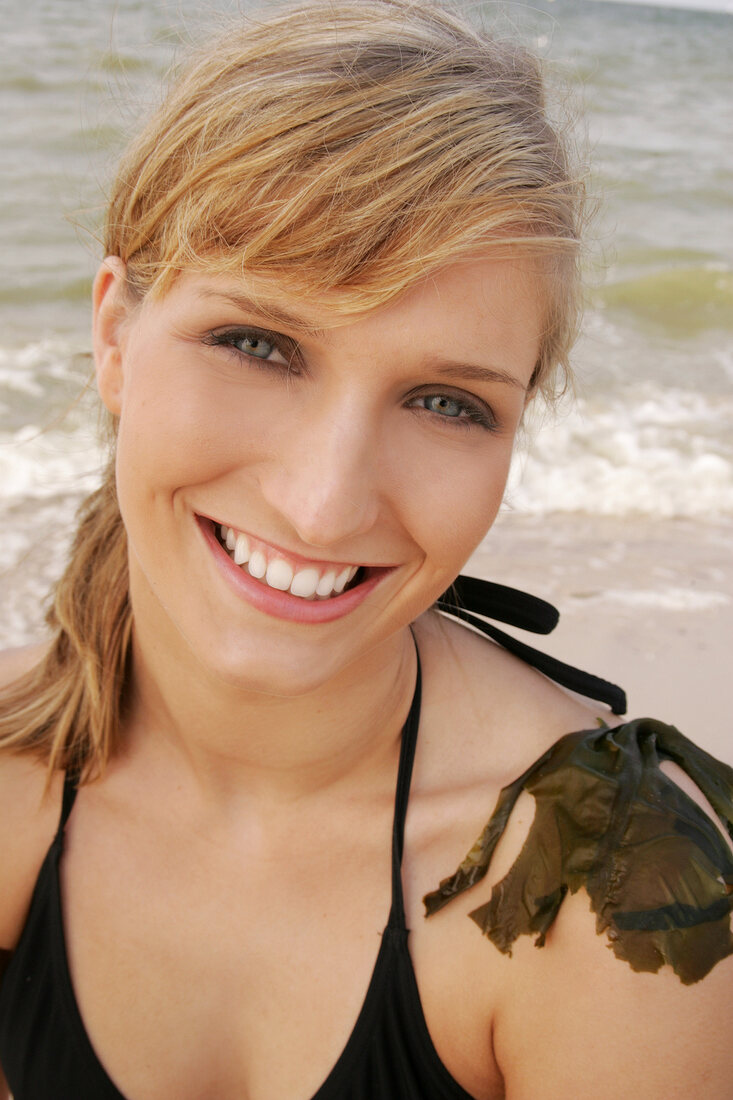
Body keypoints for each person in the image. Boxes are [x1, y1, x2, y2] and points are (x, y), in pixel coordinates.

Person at [1, 1, 732, 1097]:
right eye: (258, 342)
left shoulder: (609, 884)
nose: (324, 505)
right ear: (113, 336)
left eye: (445, 401)